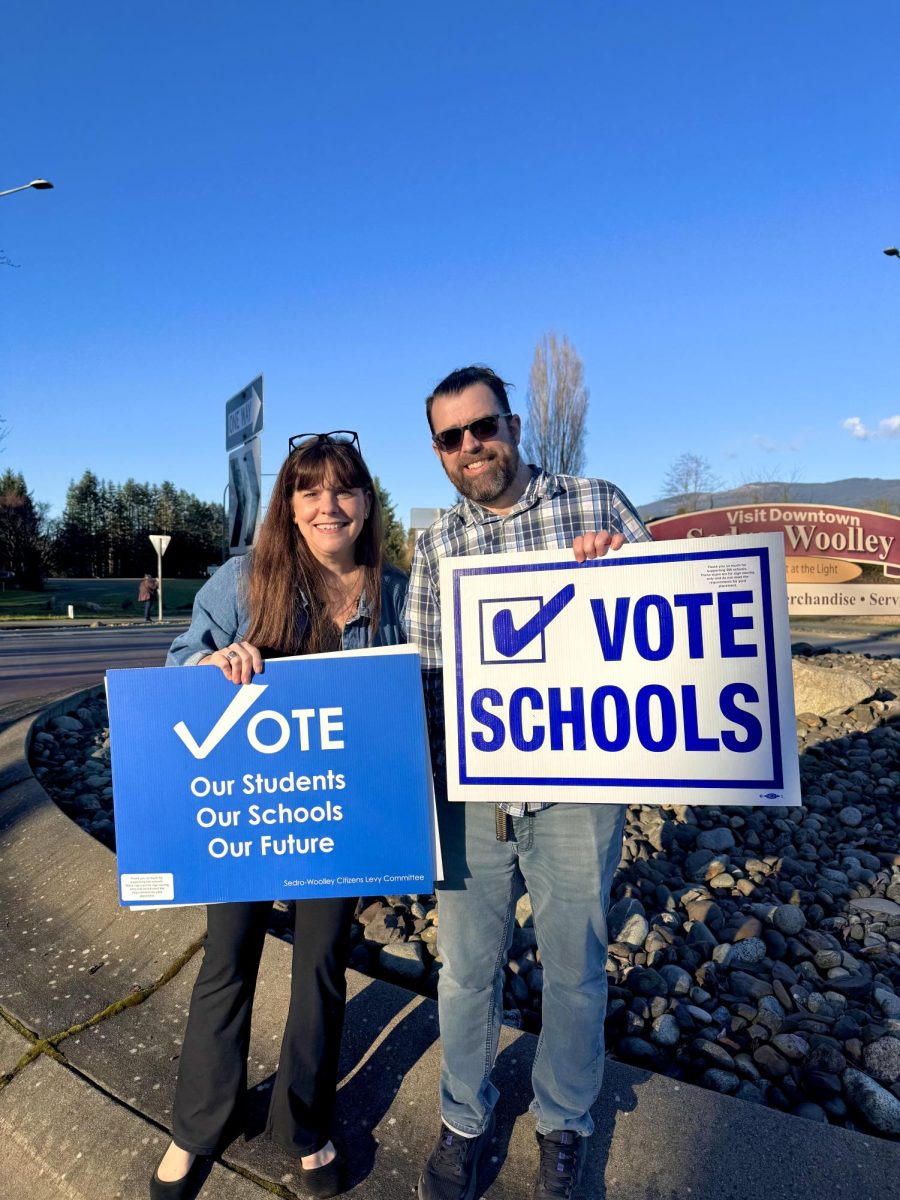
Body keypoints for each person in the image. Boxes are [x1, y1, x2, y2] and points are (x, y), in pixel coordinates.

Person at [405, 366, 651, 1200]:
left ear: (513, 426)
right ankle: (463, 1120)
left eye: (484, 427)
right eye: (452, 437)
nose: (471, 446)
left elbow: (669, 629)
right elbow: (427, 678)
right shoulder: (436, 545)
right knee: (466, 971)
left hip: (578, 788)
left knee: (576, 968)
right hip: (474, 794)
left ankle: (563, 1122)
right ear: (439, 451)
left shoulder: (598, 505)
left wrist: (618, 575)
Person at [151, 432, 407, 1200]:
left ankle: (303, 1124)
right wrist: (211, 664)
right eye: (309, 490)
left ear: (367, 502)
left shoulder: (395, 592)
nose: (329, 505)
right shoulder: (243, 580)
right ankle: (199, 1124)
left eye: (345, 489)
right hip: (246, 809)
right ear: (288, 506)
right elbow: (176, 662)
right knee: (227, 957)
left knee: (321, 964)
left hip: (340, 810)